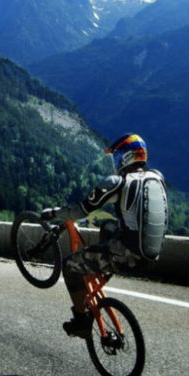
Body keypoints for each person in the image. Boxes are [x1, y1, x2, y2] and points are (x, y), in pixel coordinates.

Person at [40, 133, 167, 339]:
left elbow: (81, 210)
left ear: (124, 157)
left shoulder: (117, 182)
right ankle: (99, 269)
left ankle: (81, 321)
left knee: (70, 266)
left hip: (128, 254)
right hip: (153, 252)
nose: (114, 162)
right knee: (108, 226)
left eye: (116, 157)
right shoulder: (157, 177)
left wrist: (55, 213)